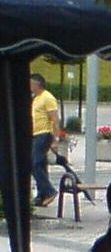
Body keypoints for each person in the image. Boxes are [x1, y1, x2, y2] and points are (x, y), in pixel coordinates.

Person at [30, 73, 63, 208]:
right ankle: (41, 195)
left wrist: (55, 139)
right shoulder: (36, 98)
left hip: (44, 134)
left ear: (37, 84)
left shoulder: (47, 98)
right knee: (41, 164)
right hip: (35, 134)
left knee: (34, 164)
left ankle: (49, 191)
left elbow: (55, 119)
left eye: (31, 83)